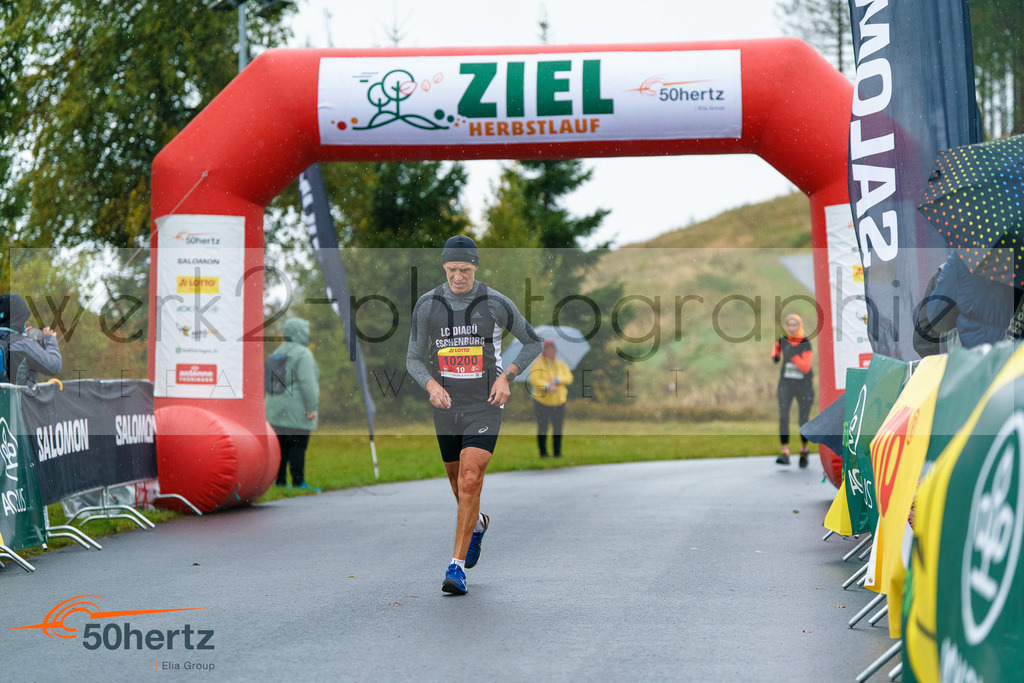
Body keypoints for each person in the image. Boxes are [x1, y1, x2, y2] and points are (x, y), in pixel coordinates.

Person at [406, 235, 542, 595]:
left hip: (485, 404)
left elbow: (533, 341)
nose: (458, 277)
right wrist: (432, 386)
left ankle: (456, 568)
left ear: (475, 268)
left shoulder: (494, 302)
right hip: (446, 406)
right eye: (451, 270)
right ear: (444, 268)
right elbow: (413, 358)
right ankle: (478, 523)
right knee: (458, 485)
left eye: (464, 270)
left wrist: (507, 376)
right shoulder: (428, 305)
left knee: (469, 481)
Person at [923, 250, 1021, 349]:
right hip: (1018, 354)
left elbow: (937, 320)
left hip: (978, 355)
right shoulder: (1019, 253)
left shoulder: (963, 256)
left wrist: (963, 306)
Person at [265, 317, 320, 491]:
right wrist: (312, 407)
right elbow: (307, 383)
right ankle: (298, 483)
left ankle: (279, 482)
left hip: (274, 408)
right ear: (300, 332)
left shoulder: (278, 351)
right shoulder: (303, 353)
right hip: (295, 408)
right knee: (298, 445)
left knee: (280, 447)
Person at [771, 313, 814, 468]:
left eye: (795, 325)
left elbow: (805, 367)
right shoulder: (784, 341)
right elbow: (776, 350)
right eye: (789, 325)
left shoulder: (805, 343)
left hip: (804, 385)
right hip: (786, 384)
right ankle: (785, 453)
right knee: (783, 416)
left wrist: (792, 355)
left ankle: (804, 450)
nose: (792, 328)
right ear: (787, 326)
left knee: (803, 419)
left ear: (799, 326)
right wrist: (776, 355)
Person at [0, 293, 62, 386]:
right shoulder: (24, 345)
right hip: (15, 400)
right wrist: (50, 340)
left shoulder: (21, 343)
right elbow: (54, 366)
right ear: (19, 319)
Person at [528, 340, 573, 458]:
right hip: (542, 402)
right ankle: (543, 453)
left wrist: (557, 380)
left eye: (553, 349)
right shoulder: (537, 364)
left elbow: (569, 377)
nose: (551, 351)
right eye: (549, 349)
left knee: (558, 428)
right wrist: (547, 385)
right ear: (544, 350)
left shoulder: (561, 363)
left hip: (559, 401)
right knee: (543, 427)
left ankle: (557, 453)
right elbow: (534, 380)